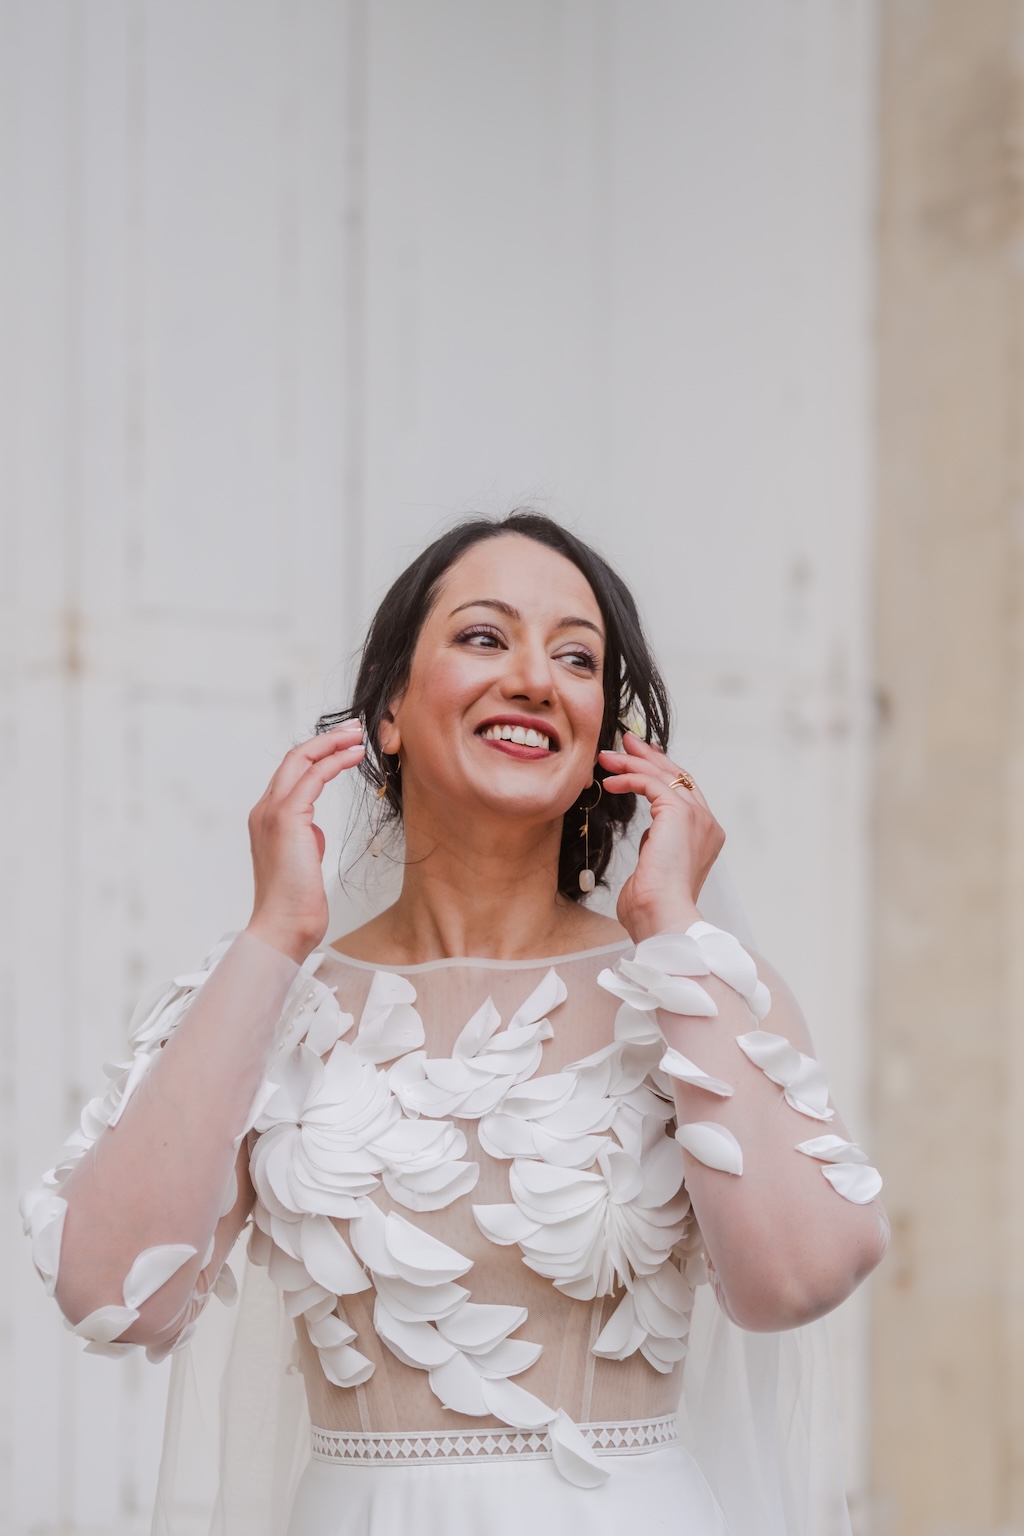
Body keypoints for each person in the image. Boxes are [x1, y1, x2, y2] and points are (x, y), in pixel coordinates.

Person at [21, 512, 888, 1535]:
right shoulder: (272, 995)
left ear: (601, 735)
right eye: (485, 637)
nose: (533, 677)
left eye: (576, 657)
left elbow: (794, 1281)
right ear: (385, 713)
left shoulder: (688, 983)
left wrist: (670, 936)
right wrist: (275, 934)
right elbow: (110, 1294)